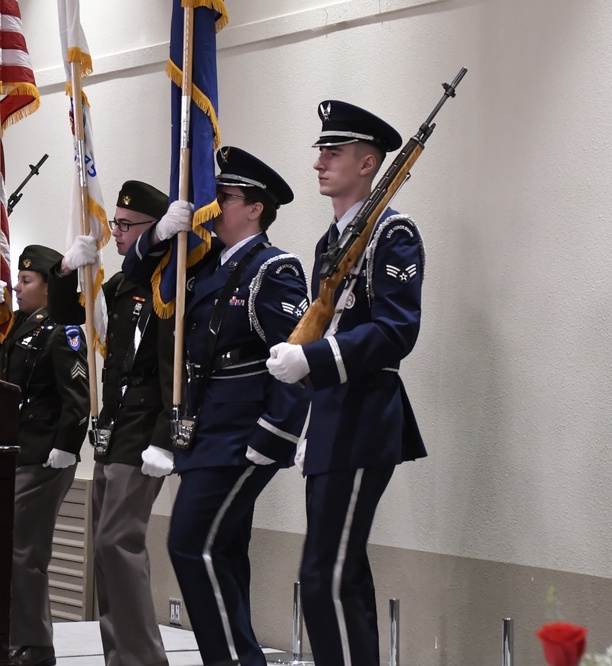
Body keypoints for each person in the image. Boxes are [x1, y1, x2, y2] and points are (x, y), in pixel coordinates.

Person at [122, 148, 310, 666]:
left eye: (223, 199)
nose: (211, 208)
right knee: (221, 552)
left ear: (254, 209)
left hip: (241, 437)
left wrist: (272, 438)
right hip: (203, 436)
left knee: (190, 543)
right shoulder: (200, 266)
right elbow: (136, 277)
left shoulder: (274, 269)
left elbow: (294, 358)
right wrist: (159, 233)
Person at [265, 100, 428, 666]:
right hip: (334, 417)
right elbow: (330, 316)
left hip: (364, 417)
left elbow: (395, 329)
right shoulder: (330, 242)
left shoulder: (394, 233)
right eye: (320, 152)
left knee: (323, 576)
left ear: (369, 163)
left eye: (333, 153)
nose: (318, 163)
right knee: (345, 572)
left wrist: (314, 358)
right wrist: (312, 408)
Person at [49, 181, 187, 666]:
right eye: (116, 224)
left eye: (128, 226)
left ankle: (144, 659)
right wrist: (66, 270)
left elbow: (180, 364)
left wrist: (165, 437)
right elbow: (69, 314)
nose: (118, 233)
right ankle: (120, 658)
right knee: (105, 556)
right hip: (111, 425)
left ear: (157, 229)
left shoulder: (172, 282)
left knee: (117, 541)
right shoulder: (125, 283)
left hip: (144, 428)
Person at [0, 245, 91, 666]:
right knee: (10, 549)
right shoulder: (18, 328)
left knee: (25, 552)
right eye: (18, 280)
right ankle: (10, 636)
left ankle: (34, 645)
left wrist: (67, 446)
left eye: (27, 280)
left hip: (44, 454)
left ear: (48, 283)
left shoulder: (63, 328)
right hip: (17, 450)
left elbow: (78, 392)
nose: (18, 288)